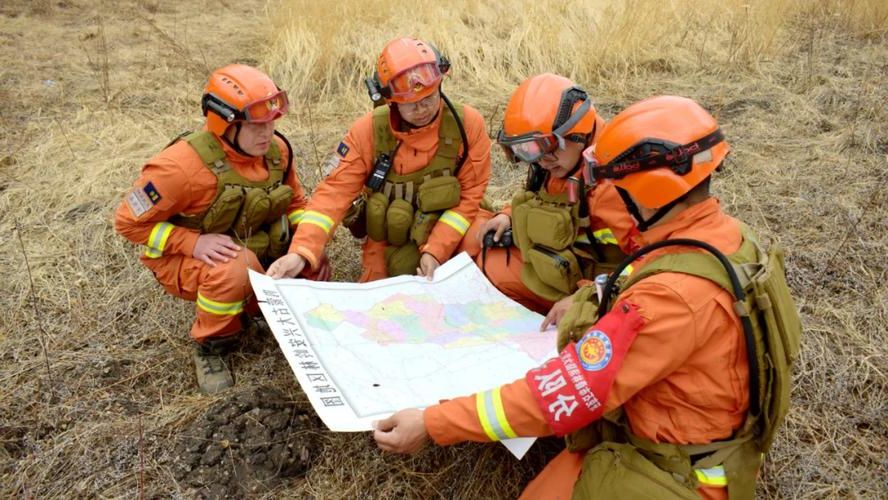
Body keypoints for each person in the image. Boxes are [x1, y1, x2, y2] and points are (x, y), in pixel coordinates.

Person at [372, 96, 801, 499]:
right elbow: (644, 265)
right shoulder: (726, 239)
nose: (610, 196)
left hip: (679, 471)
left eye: (618, 185)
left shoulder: (666, 300)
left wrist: (432, 422)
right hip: (704, 435)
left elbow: (556, 397)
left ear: (648, 191)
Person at [114, 64, 325, 394]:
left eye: (271, 122)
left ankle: (258, 310)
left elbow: (296, 203)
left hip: (251, 246)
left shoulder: (277, 152)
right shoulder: (178, 168)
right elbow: (127, 221)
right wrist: (190, 242)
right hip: (187, 259)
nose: (267, 133)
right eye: (255, 126)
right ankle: (212, 345)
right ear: (224, 122)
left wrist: (306, 250)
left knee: (312, 261)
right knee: (236, 269)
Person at [266, 37, 491, 282]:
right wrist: (301, 252)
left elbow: (470, 194)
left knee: (478, 246)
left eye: (429, 97)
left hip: (451, 225)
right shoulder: (367, 132)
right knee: (379, 291)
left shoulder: (468, 125)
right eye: (411, 104)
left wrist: (436, 250)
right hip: (389, 235)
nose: (422, 109)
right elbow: (333, 194)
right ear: (390, 100)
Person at [463, 73, 638, 315]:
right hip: (563, 269)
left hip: (603, 289)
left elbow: (651, 259)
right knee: (485, 257)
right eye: (527, 151)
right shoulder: (562, 160)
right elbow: (546, 197)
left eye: (547, 149)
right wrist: (508, 215)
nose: (541, 161)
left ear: (578, 133)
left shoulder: (615, 185)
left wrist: (589, 296)